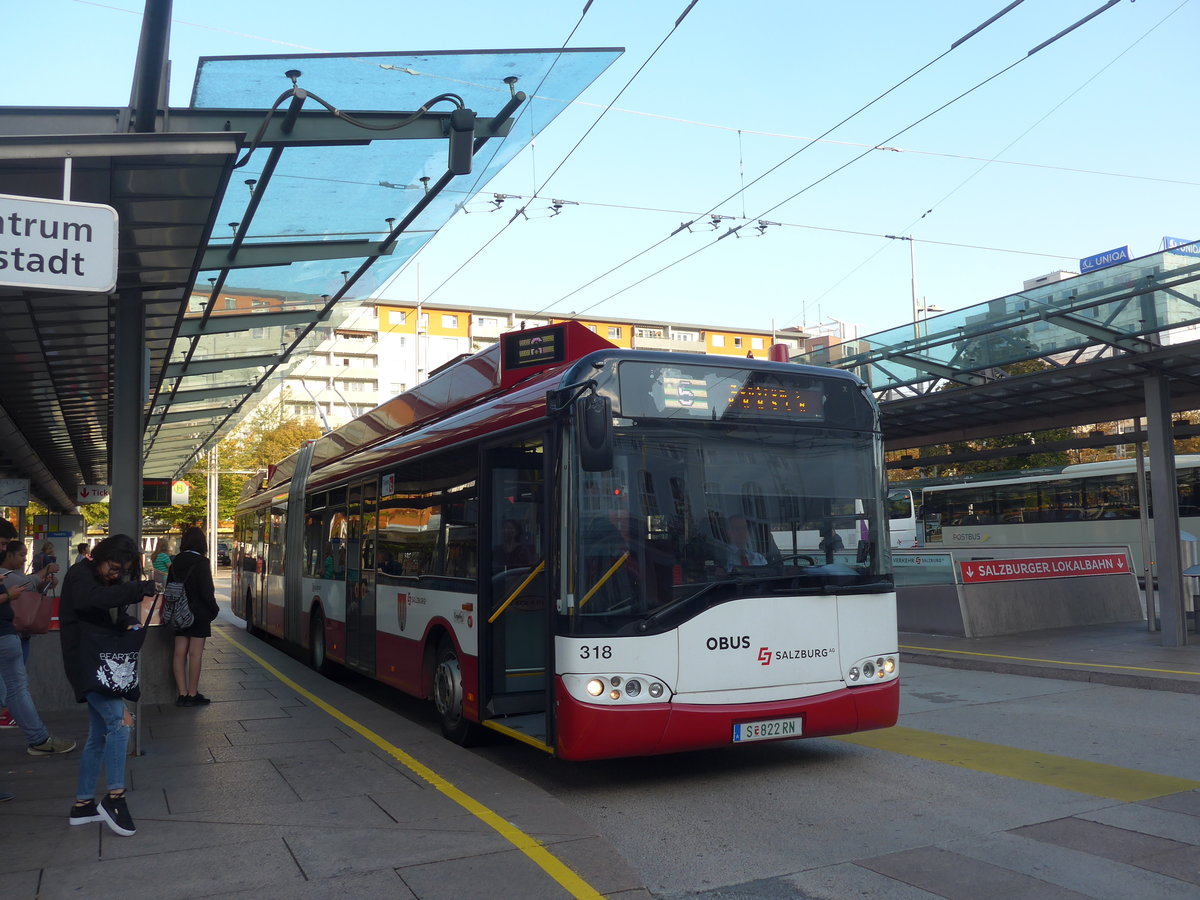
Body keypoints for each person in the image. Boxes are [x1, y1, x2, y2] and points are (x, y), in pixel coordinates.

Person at [59, 534, 158, 837]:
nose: (115, 575)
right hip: (87, 665)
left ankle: (83, 804)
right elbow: (92, 601)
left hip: (97, 662)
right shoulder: (80, 575)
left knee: (98, 735)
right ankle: (115, 799)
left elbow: (105, 613)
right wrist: (136, 589)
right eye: (113, 568)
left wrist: (126, 621)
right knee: (122, 722)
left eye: (121, 571)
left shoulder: (100, 579)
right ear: (100, 557)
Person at [0, 545, 76, 763]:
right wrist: (9, 595)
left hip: (13, 634)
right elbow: (24, 585)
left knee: (14, 688)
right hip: (6, 634)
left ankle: (37, 737)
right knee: (16, 689)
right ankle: (38, 739)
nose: (24, 559)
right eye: (21, 555)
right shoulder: (8, 576)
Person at [168, 526, 220, 708]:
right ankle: (192, 693)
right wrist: (213, 610)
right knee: (195, 654)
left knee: (179, 652)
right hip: (198, 614)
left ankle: (181, 695)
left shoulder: (175, 562)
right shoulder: (202, 562)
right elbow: (207, 592)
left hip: (179, 614)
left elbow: (170, 588)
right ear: (202, 543)